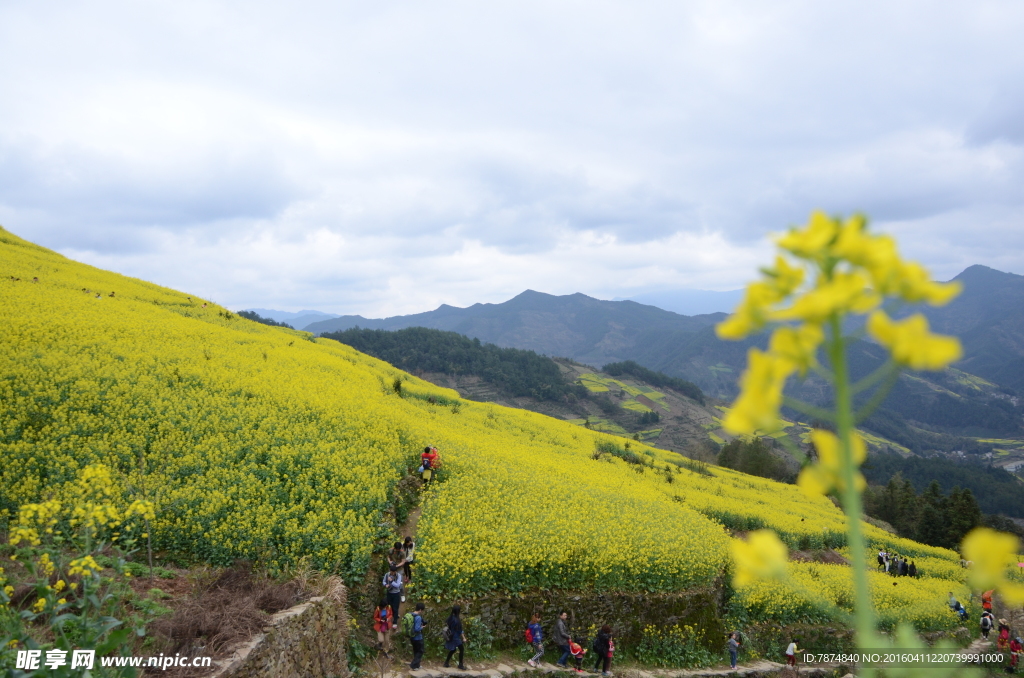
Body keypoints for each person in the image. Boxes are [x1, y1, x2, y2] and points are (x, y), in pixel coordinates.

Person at [444, 604, 466, 670]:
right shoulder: (457, 620)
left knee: (453, 649)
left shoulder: (450, 618)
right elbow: (460, 630)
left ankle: (446, 663)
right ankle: (460, 665)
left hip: (450, 636)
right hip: (455, 637)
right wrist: (463, 638)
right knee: (461, 649)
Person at [409, 602, 426, 670]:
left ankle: (417, 665)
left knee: (416, 651)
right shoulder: (418, 617)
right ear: (420, 610)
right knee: (420, 651)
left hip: (412, 637)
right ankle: (413, 665)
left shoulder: (411, 614)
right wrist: (422, 627)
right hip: (418, 637)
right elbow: (417, 628)